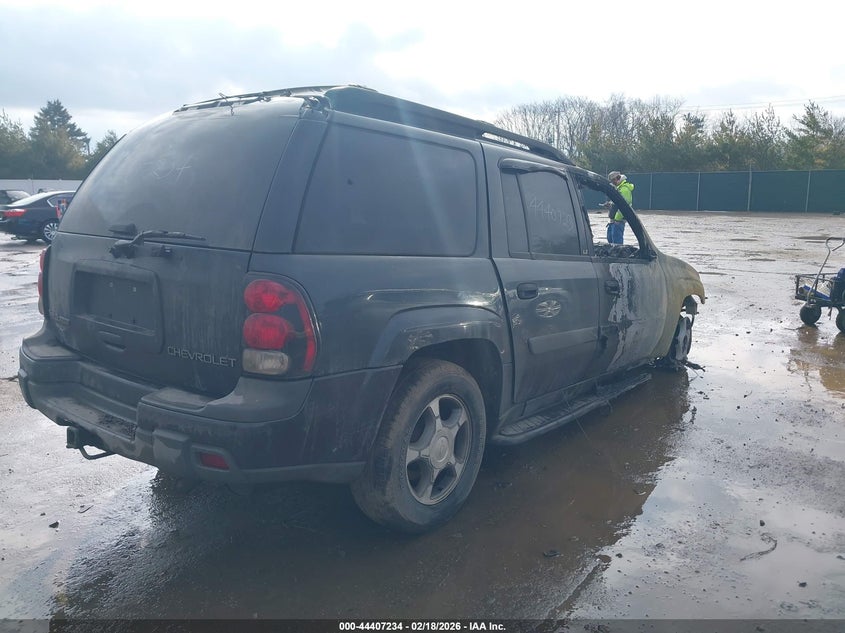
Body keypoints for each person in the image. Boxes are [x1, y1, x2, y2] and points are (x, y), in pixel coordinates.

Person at [603, 171, 634, 245]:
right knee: (610, 240)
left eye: (613, 180)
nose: (612, 183)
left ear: (618, 178)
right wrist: (609, 204)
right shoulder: (618, 188)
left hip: (618, 222)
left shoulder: (624, 189)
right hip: (613, 221)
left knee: (617, 244)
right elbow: (616, 203)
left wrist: (617, 219)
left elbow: (624, 207)